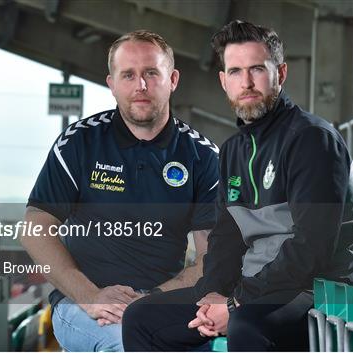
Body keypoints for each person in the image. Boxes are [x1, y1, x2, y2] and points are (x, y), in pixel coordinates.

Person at [122, 20, 353, 351]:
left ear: (280, 74)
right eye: (236, 72)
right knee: (141, 318)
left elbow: (311, 247)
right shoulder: (232, 151)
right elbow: (225, 239)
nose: (247, 82)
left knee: (247, 326)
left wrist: (235, 303)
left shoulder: (312, 139)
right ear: (224, 81)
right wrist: (212, 293)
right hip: (255, 289)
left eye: (257, 69)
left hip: (320, 289)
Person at [20, 30, 220, 352]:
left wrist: (148, 302)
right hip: (82, 304)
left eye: (151, 73)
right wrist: (90, 297)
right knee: (125, 344)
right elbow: (35, 229)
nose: (140, 85)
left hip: (163, 300)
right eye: (128, 75)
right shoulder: (78, 144)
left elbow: (213, 257)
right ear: (112, 84)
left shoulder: (203, 157)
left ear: (173, 79)